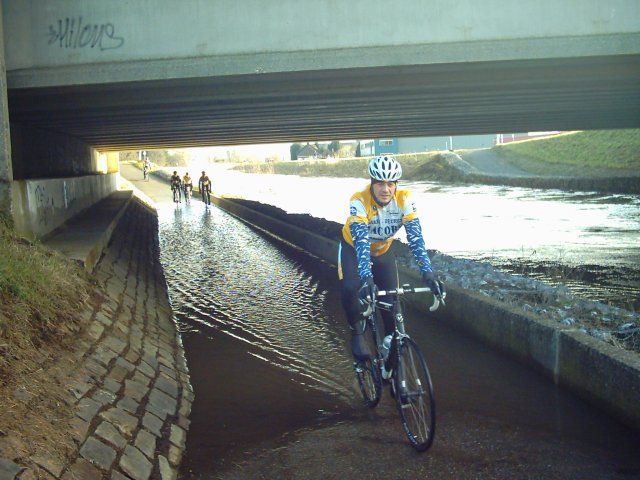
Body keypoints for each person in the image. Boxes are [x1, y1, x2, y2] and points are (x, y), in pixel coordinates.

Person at [338, 155, 442, 365]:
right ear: (372, 183)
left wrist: (428, 273)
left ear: (396, 185)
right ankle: (357, 334)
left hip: (383, 251)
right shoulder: (358, 200)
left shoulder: (404, 200)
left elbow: (415, 238)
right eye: (380, 183)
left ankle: (389, 358)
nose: (385, 189)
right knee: (351, 286)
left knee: (391, 304)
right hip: (353, 249)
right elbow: (361, 241)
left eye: (390, 183)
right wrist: (366, 278)